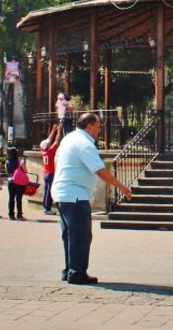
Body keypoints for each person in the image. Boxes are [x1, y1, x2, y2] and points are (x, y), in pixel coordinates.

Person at [53, 112, 132, 284]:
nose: (99, 130)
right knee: (81, 235)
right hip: (75, 195)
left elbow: (57, 161)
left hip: (62, 192)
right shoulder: (84, 144)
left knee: (69, 234)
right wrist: (122, 187)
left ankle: (69, 269)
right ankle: (77, 272)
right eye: (98, 127)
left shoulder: (69, 138)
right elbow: (100, 170)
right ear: (89, 126)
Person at [41, 124, 63, 215]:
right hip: (51, 173)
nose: (50, 142)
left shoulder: (43, 151)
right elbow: (57, 141)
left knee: (46, 190)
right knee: (50, 191)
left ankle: (45, 206)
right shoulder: (50, 151)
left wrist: (53, 130)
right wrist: (59, 131)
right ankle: (47, 208)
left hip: (45, 173)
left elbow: (49, 140)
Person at [6, 147, 27, 220]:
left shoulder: (7, 161)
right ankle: (19, 215)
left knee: (11, 198)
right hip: (19, 182)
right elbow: (25, 170)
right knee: (19, 199)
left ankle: (11, 215)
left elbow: (7, 173)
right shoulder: (20, 160)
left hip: (10, 181)